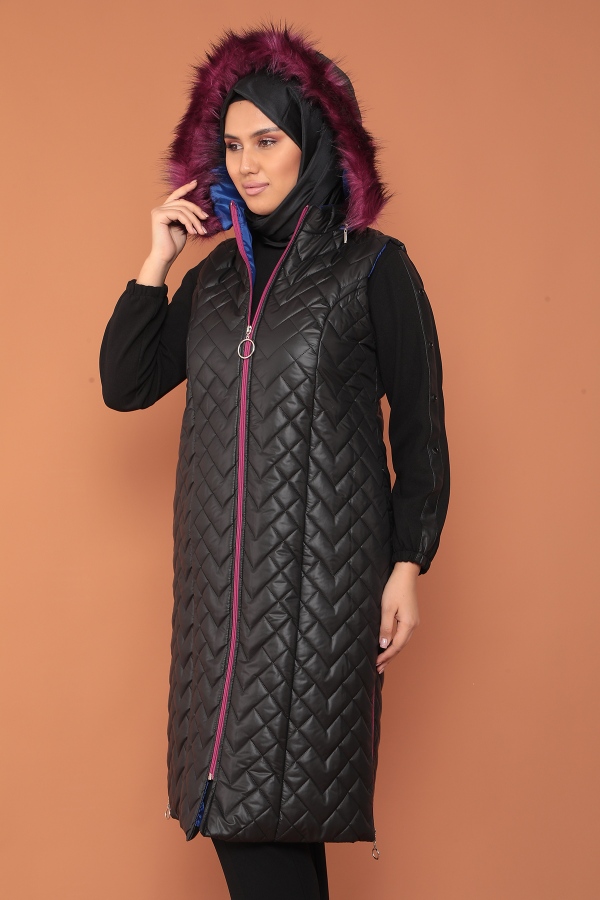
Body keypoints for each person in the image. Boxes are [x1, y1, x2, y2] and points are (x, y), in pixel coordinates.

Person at [100, 23, 450, 900]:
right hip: (217, 600)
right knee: (254, 820)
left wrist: (408, 565)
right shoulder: (216, 280)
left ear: (315, 142)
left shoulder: (373, 269)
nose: (248, 164)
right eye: (232, 146)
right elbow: (126, 384)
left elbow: (421, 428)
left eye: (267, 141)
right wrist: (157, 260)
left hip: (324, 596)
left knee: (264, 818)